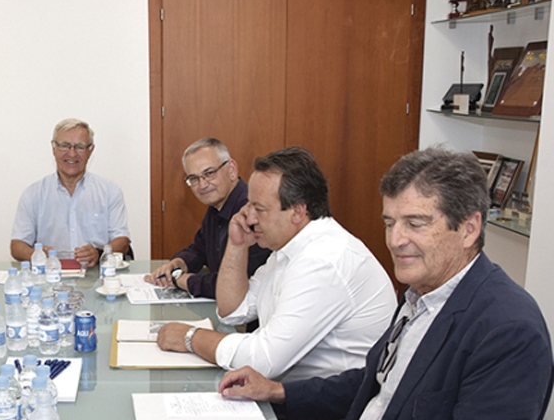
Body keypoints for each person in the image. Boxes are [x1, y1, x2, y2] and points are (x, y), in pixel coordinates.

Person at [220, 147, 553, 420]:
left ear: (469, 229)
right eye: (390, 223)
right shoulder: (422, 294)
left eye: (415, 223)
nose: (395, 240)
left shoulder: (508, 329)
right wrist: (279, 391)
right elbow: (373, 382)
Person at [157, 146, 395, 381]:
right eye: (249, 205)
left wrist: (191, 337)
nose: (249, 218)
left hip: (328, 402)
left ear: (297, 212)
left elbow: (264, 361)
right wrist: (237, 245)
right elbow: (233, 312)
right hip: (293, 389)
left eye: (259, 209)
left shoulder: (323, 260)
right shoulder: (288, 248)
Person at [145, 138, 270, 297]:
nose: (202, 185)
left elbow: (237, 283)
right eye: (194, 178)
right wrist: (178, 263)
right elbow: (200, 249)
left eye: (209, 173)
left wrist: (180, 280)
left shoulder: (252, 213)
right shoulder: (216, 207)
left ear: (231, 169)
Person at [10, 118, 130, 268]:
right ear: (54, 148)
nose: (72, 154)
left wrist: (98, 253)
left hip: (97, 274)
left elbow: (122, 241)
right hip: (50, 275)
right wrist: (36, 255)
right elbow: (17, 245)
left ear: (90, 150)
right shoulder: (33, 194)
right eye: (64, 146)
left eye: (80, 147)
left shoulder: (110, 191)